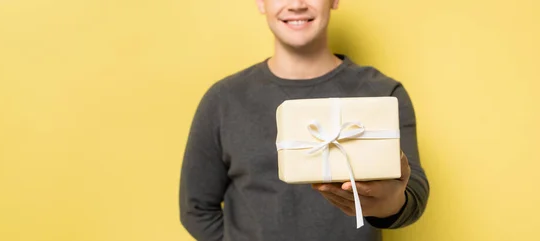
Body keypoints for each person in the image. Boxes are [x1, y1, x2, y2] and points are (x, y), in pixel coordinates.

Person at [178, 0, 430, 240]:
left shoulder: (382, 93)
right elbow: (196, 209)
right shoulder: (223, 99)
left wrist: (392, 204)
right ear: (260, 1)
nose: (297, 4)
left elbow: (414, 191)